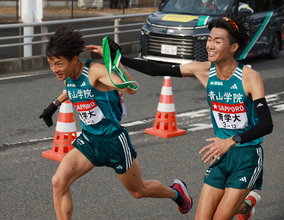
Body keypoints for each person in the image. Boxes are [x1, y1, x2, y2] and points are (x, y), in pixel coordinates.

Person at [86, 11, 273, 220]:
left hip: (246, 155)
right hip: (221, 154)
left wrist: (232, 140)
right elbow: (156, 69)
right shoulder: (203, 71)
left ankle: (244, 205)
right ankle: (246, 207)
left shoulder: (249, 77)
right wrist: (119, 57)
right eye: (209, 39)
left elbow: (266, 124)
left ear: (233, 47)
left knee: (220, 217)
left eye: (217, 41)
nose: (210, 45)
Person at [39, 24, 193, 219]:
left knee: (139, 191)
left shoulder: (95, 72)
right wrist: (55, 104)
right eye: (50, 63)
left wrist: (115, 62)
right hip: (90, 140)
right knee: (58, 182)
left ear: (74, 59)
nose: (54, 69)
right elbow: (74, 90)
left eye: (58, 63)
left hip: (114, 142)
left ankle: (177, 193)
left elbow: (131, 88)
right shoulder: (67, 75)